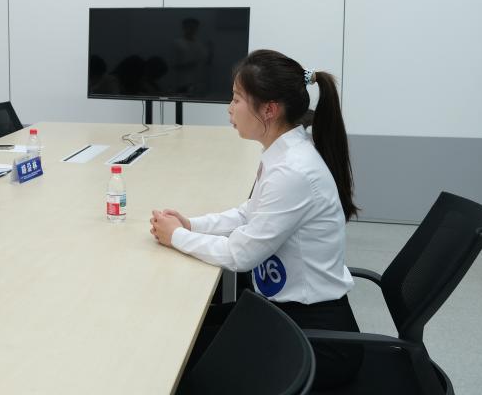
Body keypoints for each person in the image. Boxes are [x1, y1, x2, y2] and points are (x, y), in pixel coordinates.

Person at [149, 49, 363, 389]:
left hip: (315, 337)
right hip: (282, 311)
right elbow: (249, 213)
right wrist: (191, 225)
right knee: (183, 334)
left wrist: (176, 236)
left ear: (269, 110)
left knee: (182, 362)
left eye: (236, 99)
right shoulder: (284, 154)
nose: (229, 108)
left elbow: (240, 256)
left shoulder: (293, 170)